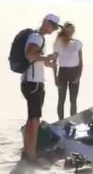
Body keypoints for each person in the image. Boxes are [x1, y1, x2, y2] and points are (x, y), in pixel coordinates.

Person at [21, 13, 61, 162]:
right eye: (52, 25)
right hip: (33, 82)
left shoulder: (36, 37)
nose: (53, 29)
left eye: (55, 27)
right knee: (35, 120)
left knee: (32, 118)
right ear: (45, 23)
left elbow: (35, 58)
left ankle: (27, 151)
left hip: (31, 81)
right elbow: (30, 55)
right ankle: (31, 155)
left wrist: (48, 61)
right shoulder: (37, 37)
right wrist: (46, 58)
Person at [53, 22, 83, 120]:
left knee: (73, 100)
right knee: (61, 99)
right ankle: (60, 120)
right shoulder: (58, 43)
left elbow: (81, 61)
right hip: (63, 72)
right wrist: (55, 77)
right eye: (68, 31)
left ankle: (72, 120)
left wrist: (78, 76)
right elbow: (54, 61)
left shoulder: (77, 43)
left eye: (71, 31)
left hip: (74, 72)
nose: (70, 33)